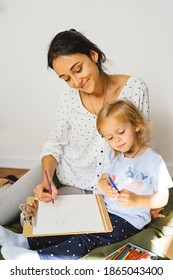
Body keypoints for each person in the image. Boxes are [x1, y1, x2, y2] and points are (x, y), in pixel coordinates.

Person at [0, 99, 172, 260]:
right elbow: (103, 179)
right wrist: (104, 185)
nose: (116, 140)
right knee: (69, 225)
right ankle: (25, 241)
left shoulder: (153, 161)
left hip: (128, 221)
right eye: (110, 138)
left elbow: (163, 197)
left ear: (136, 126)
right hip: (104, 210)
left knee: (86, 239)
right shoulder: (114, 155)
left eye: (120, 132)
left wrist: (138, 200)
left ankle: (41, 258)